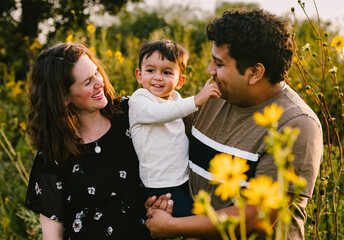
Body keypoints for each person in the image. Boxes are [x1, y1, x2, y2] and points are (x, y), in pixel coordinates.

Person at [145, 9, 323, 239]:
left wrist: (174, 227)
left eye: (219, 63)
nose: (210, 70)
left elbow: (258, 215)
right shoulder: (213, 97)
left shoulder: (296, 126)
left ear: (255, 72)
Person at [25, 42, 151, 239]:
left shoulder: (132, 113)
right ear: (64, 97)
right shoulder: (54, 153)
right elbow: (52, 234)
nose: (99, 83)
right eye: (87, 82)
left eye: (96, 73)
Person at [128, 39, 221, 217]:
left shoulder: (175, 100)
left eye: (167, 72)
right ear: (139, 75)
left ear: (180, 81)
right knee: (194, 223)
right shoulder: (139, 100)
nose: (157, 77)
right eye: (150, 70)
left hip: (185, 179)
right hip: (163, 185)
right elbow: (160, 113)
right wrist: (196, 100)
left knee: (200, 218)